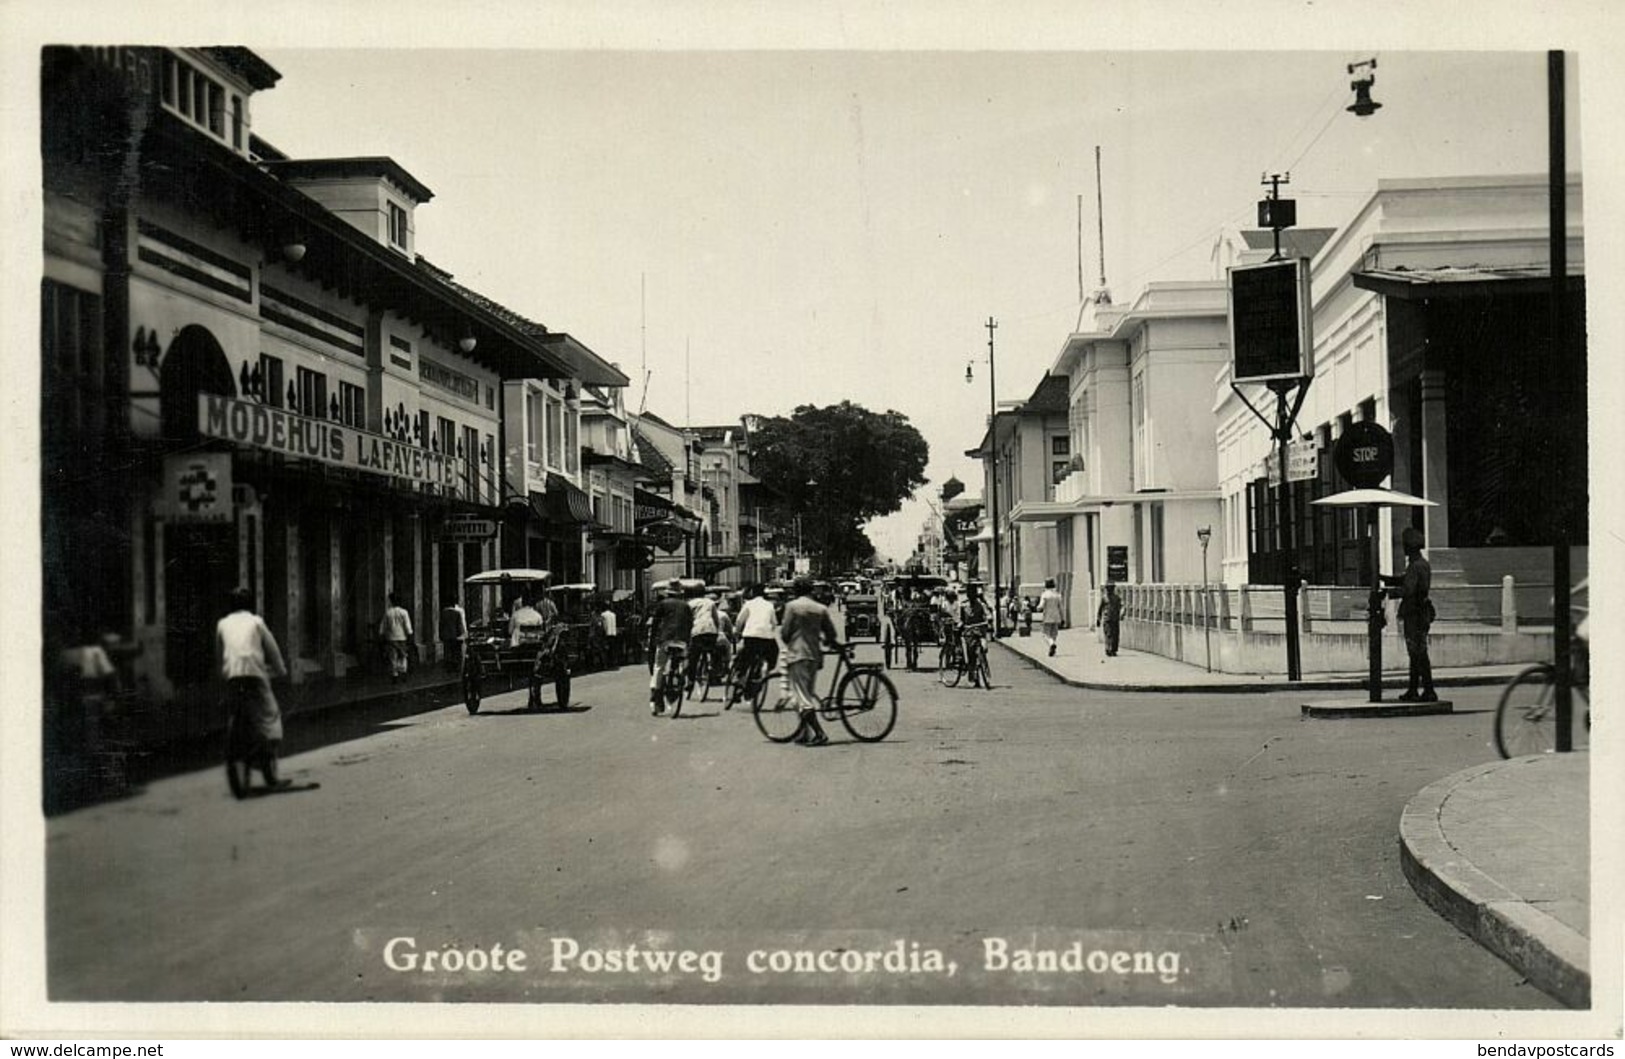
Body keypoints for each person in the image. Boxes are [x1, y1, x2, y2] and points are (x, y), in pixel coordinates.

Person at [217, 587, 291, 790]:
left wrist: (222, 679)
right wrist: (281, 669)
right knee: (270, 718)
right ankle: (270, 775)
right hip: (255, 677)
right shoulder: (256, 622)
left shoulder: (222, 624)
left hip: (232, 678)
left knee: (235, 713)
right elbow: (272, 649)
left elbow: (219, 655)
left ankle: (238, 753)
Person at [778, 577, 841, 747]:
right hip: (814, 656)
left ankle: (819, 734)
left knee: (802, 698)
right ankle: (804, 733)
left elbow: (784, 633)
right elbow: (830, 634)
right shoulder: (820, 608)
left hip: (798, 655)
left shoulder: (792, 606)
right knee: (806, 693)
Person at [1382, 526, 1437, 702]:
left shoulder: (1415, 566)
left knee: (1418, 653)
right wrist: (1387, 579)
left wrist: (1390, 592)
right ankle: (1413, 689)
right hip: (1420, 613)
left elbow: (1409, 589)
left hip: (1415, 614)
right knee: (1415, 653)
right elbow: (1405, 580)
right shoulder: (1421, 564)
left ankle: (1428, 690)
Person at [728, 583, 781, 708]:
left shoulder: (749, 604)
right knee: (773, 654)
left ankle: (738, 676)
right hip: (766, 638)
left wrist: (737, 632)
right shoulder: (769, 605)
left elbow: (740, 620)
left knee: (746, 657)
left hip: (750, 636)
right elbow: (774, 623)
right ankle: (765, 673)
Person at [647, 581, 694, 716]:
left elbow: (656, 624)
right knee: (681, 662)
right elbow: (690, 624)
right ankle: (679, 678)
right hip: (682, 641)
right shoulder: (686, 606)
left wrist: (653, 641)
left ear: (668, 593)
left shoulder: (663, 604)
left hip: (665, 640)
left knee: (659, 667)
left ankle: (655, 698)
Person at [687, 583, 721, 690]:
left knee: (693, 657)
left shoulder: (690, 604)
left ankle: (690, 681)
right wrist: (717, 630)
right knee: (714, 650)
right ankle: (713, 668)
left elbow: (688, 619)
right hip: (711, 630)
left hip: (697, 630)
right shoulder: (710, 603)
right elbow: (716, 619)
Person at [379, 592, 414, 682]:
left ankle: (395, 675)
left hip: (391, 638)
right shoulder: (404, 612)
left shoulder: (388, 613)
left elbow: (383, 626)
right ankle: (403, 672)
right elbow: (407, 626)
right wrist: (409, 634)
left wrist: (382, 634)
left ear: (391, 601)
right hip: (402, 637)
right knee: (403, 655)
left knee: (393, 657)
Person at [439, 597, 467, 673]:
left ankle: (448, 666)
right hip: (454, 635)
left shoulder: (443, 612)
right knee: (455, 651)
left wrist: (440, 634)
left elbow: (441, 624)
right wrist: (461, 634)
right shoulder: (457, 613)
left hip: (446, 635)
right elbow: (459, 625)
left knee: (447, 651)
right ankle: (455, 666)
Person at [1038, 577, 1065, 657]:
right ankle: (1052, 648)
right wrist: (1062, 618)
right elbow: (1061, 607)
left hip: (1047, 616)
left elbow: (1041, 605)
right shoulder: (1057, 595)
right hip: (1056, 617)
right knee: (1054, 634)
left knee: (1045, 634)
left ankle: (1051, 644)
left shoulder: (1045, 595)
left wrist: (1038, 608)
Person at [1096, 582, 1122, 657]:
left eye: (1111, 588)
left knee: (1115, 635)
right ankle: (1108, 649)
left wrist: (1122, 613)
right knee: (1108, 634)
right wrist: (1098, 619)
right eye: (1108, 588)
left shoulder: (1117, 598)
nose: (1109, 590)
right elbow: (1100, 609)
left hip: (1115, 619)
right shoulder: (1104, 598)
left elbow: (1120, 606)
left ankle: (1114, 649)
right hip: (1107, 619)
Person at [598, 598, 620, 671]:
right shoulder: (613, 615)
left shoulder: (603, 615)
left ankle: (607, 664)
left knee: (606, 650)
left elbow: (604, 625)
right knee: (613, 649)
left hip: (606, 634)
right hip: (613, 633)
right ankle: (614, 663)